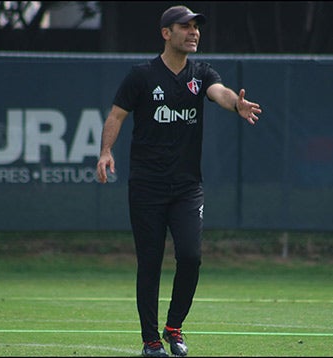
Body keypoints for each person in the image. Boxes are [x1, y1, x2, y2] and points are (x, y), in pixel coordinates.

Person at [96, 5, 262, 357]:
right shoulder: (141, 75)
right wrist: (106, 151)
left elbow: (220, 93)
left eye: (196, 27)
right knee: (150, 261)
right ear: (165, 33)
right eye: (184, 27)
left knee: (191, 256)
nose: (194, 32)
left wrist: (237, 105)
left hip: (186, 187)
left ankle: (174, 327)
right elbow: (116, 114)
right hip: (146, 185)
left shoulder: (201, 73)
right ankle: (151, 340)